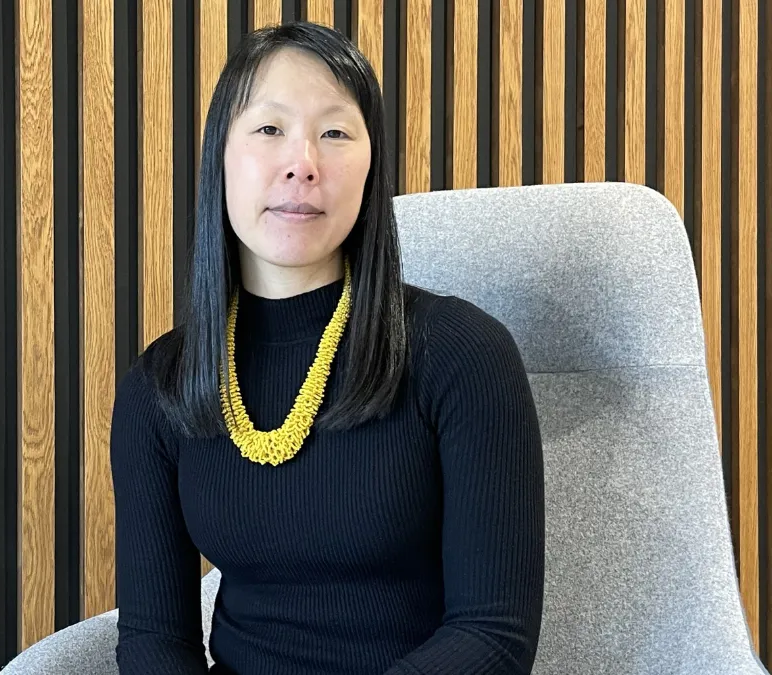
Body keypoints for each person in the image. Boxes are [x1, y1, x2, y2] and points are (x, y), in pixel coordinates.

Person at [109, 21, 545, 675]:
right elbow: (154, 639)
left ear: (372, 168)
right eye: (269, 128)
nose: (302, 162)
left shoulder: (462, 354)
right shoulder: (161, 385)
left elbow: (494, 636)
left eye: (336, 133)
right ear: (220, 156)